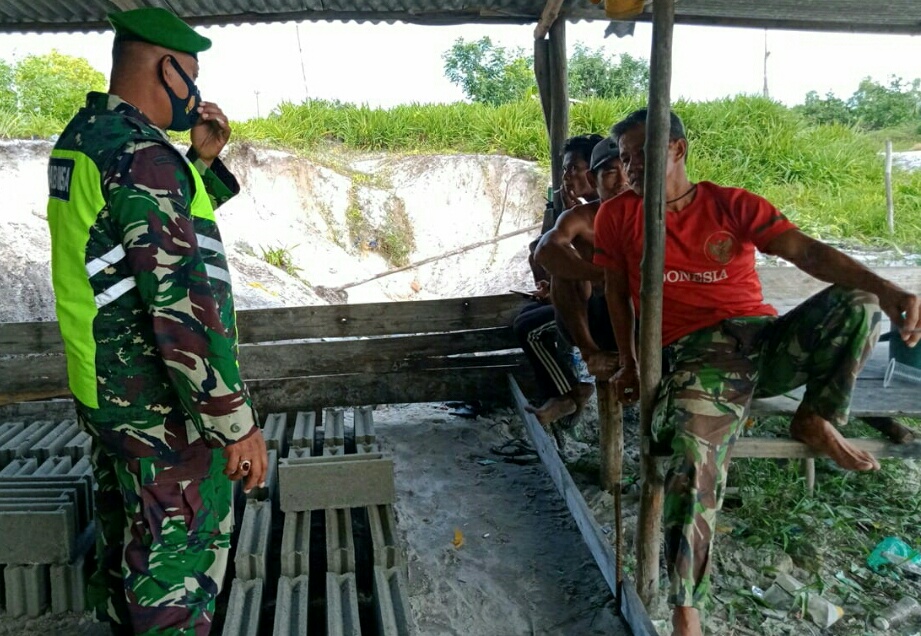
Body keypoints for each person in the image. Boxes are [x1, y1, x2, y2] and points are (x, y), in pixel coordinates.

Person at [592, 108, 920, 636]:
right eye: (625, 159)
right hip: (698, 354)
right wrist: (631, 362)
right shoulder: (618, 216)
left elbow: (807, 252)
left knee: (858, 301)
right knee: (692, 450)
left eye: (640, 155)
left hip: (764, 342)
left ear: (677, 149)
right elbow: (615, 293)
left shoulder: (731, 204)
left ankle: (814, 416)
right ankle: (686, 608)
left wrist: (886, 286)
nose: (630, 169)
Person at [46, 8, 268, 635]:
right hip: (159, 408)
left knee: (128, 553)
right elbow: (178, 301)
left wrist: (198, 163)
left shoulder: (86, 139)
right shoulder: (141, 156)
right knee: (176, 575)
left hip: (107, 389)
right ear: (165, 68)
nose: (196, 94)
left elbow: (128, 242)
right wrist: (233, 422)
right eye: (190, 76)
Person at [513, 134, 603, 425]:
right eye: (565, 169)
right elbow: (541, 252)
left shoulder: (604, 211)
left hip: (605, 309)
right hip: (585, 300)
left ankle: (570, 393)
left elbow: (585, 273)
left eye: (573, 168)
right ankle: (567, 390)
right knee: (526, 317)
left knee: (531, 329)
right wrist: (550, 288)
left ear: (594, 170)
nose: (567, 176)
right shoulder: (580, 211)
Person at [534, 136, 629, 398]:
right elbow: (543, 251)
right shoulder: (581, 217)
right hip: (599, 321)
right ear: (594, 178)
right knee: (563, 270)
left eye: (626, 170)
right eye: (610, 173)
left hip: (642, 317)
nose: (621, 182)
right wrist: (605, 274)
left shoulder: (655, 214)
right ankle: (590, 355)